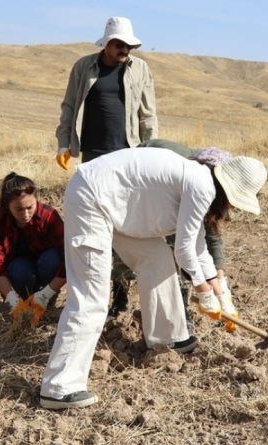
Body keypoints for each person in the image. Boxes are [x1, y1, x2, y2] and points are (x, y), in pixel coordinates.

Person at [39, 147, 267, 409]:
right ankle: (59, 387)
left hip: (113, 203)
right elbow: (183, 249)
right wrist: (203, 292)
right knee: (92, 295)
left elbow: (197, 245)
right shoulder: (202, 185)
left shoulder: (200, 179)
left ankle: (166, 338)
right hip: (92, 199)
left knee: (157, 257)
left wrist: (221, 296)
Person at [54, 16, 158, 319]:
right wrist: (64, 144)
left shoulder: (140, 69)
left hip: (128, 157)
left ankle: (122, 290)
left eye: (130, 45)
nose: (125, 49)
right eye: (119, 44)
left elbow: (148, 116)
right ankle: (94, 289)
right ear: (106, 43)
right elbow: (69, 106)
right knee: (96, 223)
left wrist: (151, 153)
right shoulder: (83, 67)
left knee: (123, 224)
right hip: (93, 158)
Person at [138, 139, 241, 333]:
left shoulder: (220, 180)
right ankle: (178, 308)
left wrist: (221, 291)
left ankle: (181, 303)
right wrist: (205, 293)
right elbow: (183, 248)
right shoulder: (196, 183)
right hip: (145, 182)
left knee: (189, 243)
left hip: (169, 188)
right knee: (169, 249)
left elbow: (208, 236)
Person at [0, 173, 67, 325]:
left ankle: (46, 297)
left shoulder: (48, 215)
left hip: (47, 264)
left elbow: (69, 258)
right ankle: (27, 300)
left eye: (30, 207)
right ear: (7, 205)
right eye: (18, 209)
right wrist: (11, 299)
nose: (25, 214)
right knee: (17, 270)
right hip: (22, 266)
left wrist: (46, 293)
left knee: (51, 261)